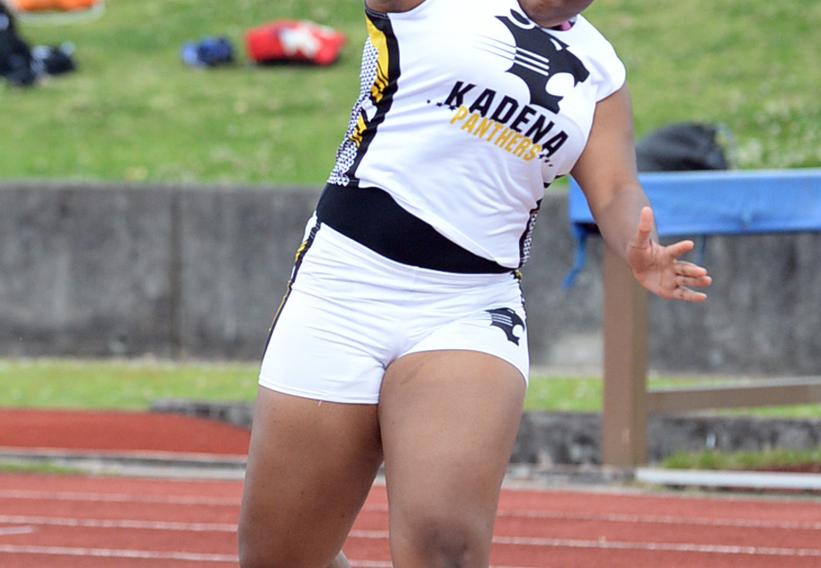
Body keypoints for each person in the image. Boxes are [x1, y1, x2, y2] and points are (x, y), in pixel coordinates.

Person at [237, 0, 712, 566]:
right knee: (279, 558)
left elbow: (614, 188)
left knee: (446, 541)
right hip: (345, 283)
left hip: (468, 306)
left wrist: (637, 241)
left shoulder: (600, 71)